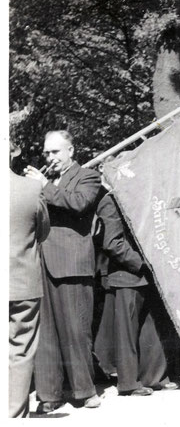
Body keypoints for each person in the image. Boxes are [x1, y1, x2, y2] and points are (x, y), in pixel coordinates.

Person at [24, 130, 102, 412]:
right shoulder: (40, 181)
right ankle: (49, 395)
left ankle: (85, 391)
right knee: (44, 334)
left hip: (71, 264)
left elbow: (79, 203)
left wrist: (43, 184)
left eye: (56, 152)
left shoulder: (88, 176)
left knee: (76, 330)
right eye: (46, 153)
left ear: (71, 150)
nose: (50, 157)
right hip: (39, 262)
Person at [96, 190, 177, 396]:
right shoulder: (111, 200)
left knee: (152, 327)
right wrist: (142, 264)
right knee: (127, 332)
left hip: (150, 274)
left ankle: (154, 377)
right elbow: (112, 243)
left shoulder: (146, 194)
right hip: (127, 274)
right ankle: (128, 383)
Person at [9, 140, 50, 417]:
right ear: (14, 152)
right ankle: (12, 415)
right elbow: (43, 231)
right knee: (20, 353)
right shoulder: (32, 188)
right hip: (21, 283)